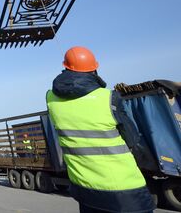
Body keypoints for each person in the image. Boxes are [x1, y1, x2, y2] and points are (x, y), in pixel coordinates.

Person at [46, 46, 155, 213]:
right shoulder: (108, 97)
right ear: (94, 69)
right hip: (125, 188)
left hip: (85, 190)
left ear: (65, 66)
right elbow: (132, 139)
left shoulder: (51, 99)